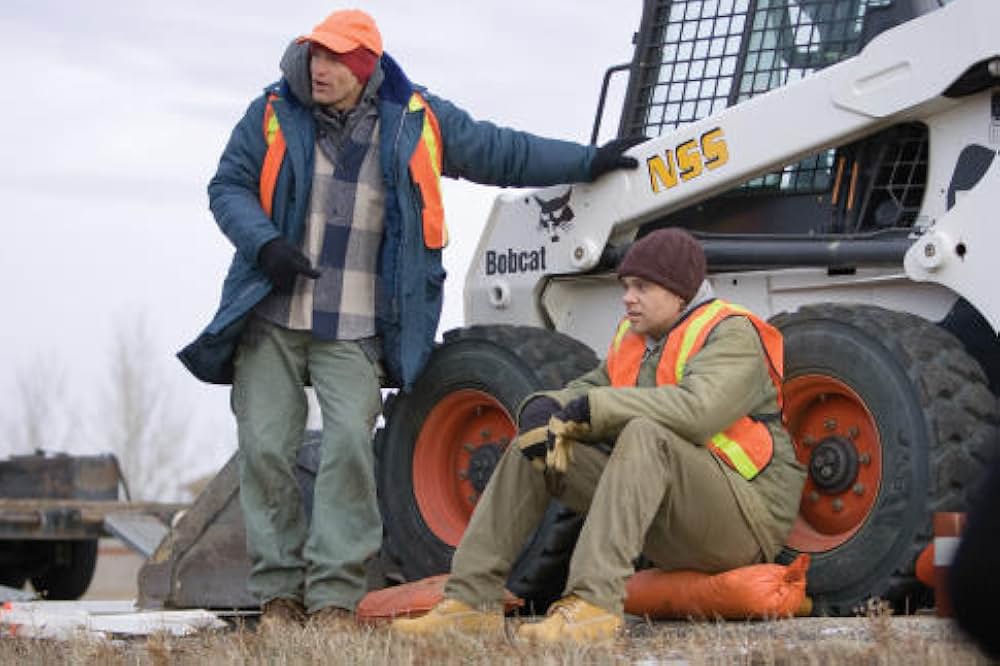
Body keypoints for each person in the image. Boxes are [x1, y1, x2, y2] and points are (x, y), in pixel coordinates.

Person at [177, 9, 642, 627]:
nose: (320, 68)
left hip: (358, 323)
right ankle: (279, 594)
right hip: (272, 315)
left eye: (336, 59)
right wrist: (264, 244)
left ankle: (335, 598)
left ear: (366, 66)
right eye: (315, 56)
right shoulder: (270, 112)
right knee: (264, 451)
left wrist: (587, 162)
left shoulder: (416, 119)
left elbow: (499, 151)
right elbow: (226, 187)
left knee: (348, 449)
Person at [391, 228, 807, 643]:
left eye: (641, 286)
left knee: (646, 433)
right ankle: (470, 603)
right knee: (535, 446)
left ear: (680, 292)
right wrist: (543, 408)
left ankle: (593, 607)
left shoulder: (732, 334)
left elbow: (698, 412)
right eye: (626, 286)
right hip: (671, 515)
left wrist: (600, 410)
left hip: (743, 520)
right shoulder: (636, 339)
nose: (627, 297)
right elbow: (589, 388)